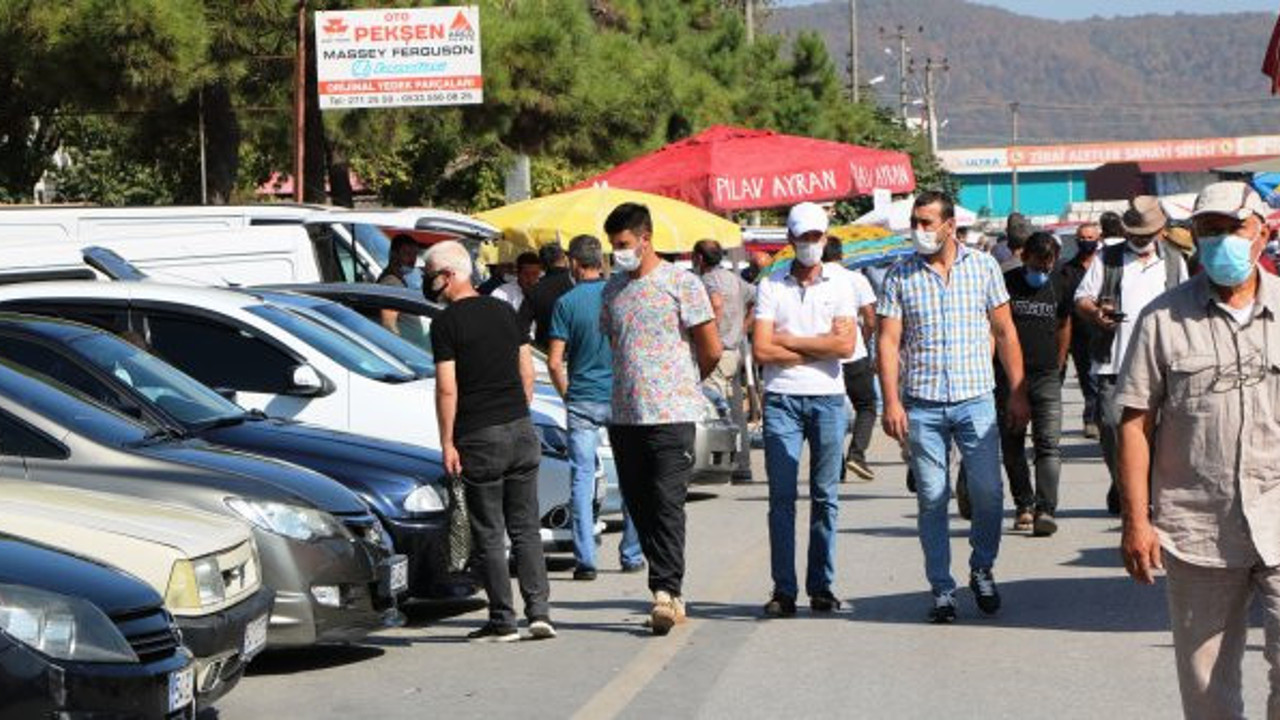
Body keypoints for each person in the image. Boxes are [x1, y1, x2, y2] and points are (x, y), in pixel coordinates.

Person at [1116, 181, 1280, 719]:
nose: (1222, 241)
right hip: (1198, 529)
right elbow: (1136, 423)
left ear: (1263, 232)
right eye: (1209, 231)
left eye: (1234, 228)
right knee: (1207, 694)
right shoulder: (1162, 320)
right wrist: (1136, 521)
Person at [877, 191, 1030, 624]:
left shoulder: (982, 267)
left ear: (949, 226)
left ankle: (982, 566)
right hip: (923, 404)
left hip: (975, 399)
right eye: (915, 221)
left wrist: (1017, 391)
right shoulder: (900, 274)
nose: (919, 230)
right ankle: (942, 588)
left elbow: (1004, 332)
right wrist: (891, 400)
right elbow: (887, 341)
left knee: (988, 491)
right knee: (932, 496)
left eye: (927, 222)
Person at [600, 202, 722, 636]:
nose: (619, 253)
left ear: (646, 239)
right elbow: (616, 345)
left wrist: (686, 383)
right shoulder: (612, 290)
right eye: (613, 246)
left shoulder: (681, 283)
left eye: (624, 245)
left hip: (671, 413)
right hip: (626, 414)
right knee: (641, 505)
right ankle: (667, 583)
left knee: (668, 502)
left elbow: (710, 348)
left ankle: (666, 591)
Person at [425, 240, 554, 643]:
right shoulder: (504, 309)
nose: (428, 284)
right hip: (519, 427)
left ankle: (503, 620)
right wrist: (519, 409)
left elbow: (447, 389)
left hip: (479, 435)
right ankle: (539, 613)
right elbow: (527, 370)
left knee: (488, 530)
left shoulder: (446, 324)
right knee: (525, 527)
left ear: (449, 275)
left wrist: (447, 441)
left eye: (431, 276)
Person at [753, 205, 858, 617]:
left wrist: (791, 341)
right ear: (791, 240)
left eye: (816, 237)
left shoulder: (841, 283)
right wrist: (819, 345)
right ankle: (784, 589)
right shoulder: (771, 284)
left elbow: (845, 348)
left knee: (825, 496)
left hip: (828, 398)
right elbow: (762, 349)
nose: (810, 244)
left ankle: (821, 585)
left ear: (825, 237)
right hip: (781, 398)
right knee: (781, 499)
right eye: (803, 237)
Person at [1075, 196, 1187, 515]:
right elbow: (1082, 298)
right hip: (1114, 361)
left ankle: (1145, 493)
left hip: (1162, 365)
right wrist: (1097, 314)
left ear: (1159, 231)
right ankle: (1124, 481)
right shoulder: (1107, 258)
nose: (1140, 239)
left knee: (1160, 435)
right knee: (1111, 428)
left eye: (1146, 234)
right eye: (1134, 234)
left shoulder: (1174, 261)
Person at [546, 234, 644, 581]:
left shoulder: (566, 303)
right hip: (620, 398)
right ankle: (632, 553)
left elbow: (556, 363)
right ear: (600, 262)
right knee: (633, 475)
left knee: (582, 479)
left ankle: (585, 558)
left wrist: (567, 394)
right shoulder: (620, 295)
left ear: (574, 264)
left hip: (583, 399)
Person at [998, 232, 1071, 536]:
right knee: (1012, 444)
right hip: (1008, 378)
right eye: (1036, 266)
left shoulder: (1061, 283)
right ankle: (1024, 504)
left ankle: (1046, 509)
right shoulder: (1006, 282)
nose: (1042, 272)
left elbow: (1065, 323)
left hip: (1046, 376)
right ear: (1024, 257)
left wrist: (1060, 360)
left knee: (1048, 445)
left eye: (1047, 266)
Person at [821, 237, 878, 481]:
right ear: (841, 255)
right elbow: (871, 317)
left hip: (824, 357)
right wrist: (863, 338)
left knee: (831, 412)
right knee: (866, 406)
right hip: (855, 355)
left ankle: (836, 466)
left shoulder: (814, 281)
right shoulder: (856, 278)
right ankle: (857, 454)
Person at [692, 239, 752, 403]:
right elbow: (756, 298)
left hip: (716, 352)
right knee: (721, 404)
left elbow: (716, 303)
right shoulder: (733, 278)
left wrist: (709, 334)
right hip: (732, 352)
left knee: (711, 405)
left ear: (699, 258)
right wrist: (744, 327)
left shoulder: (708, 278)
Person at [1059, 222, 1102, 438]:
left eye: (1090, 237)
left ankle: (1098, 416)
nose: (1086, 241)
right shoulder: (1067, 269)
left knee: (1102, 378)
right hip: (1079, 334)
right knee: (1087, 378)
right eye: (1082, 238)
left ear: (1098, 238)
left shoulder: (1106, 265)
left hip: (1105, 331)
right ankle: (1091, 418)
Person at [521, 243, 576, 352]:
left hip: (545, 353)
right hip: (578, 354)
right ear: (564, 259)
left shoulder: (535, 290)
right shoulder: (576, 285)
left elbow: (520, 327)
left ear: (541, 265)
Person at [377, 234, 421, 334]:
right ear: (393, 254)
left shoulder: (397, 280)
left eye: (415, 254)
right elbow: (388, 324)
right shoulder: (391, 283)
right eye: (407, 254)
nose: (412, 260)